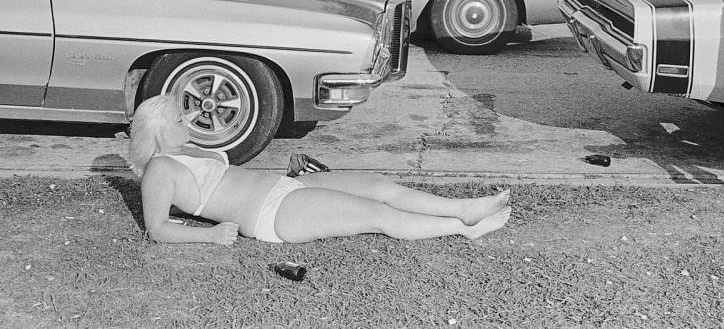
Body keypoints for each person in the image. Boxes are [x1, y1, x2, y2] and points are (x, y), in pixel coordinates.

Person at [128, 95, 511, 245]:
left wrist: (287, 176)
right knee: (379, 214)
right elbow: (157, 229)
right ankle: (464, 228)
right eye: (179, 119)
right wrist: (210, 237)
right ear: (160, 129)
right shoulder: (160, 169)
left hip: (283, 187)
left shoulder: (186, 149)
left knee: (379, 186)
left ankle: (462, 208)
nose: (189, 120)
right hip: (270, 214)